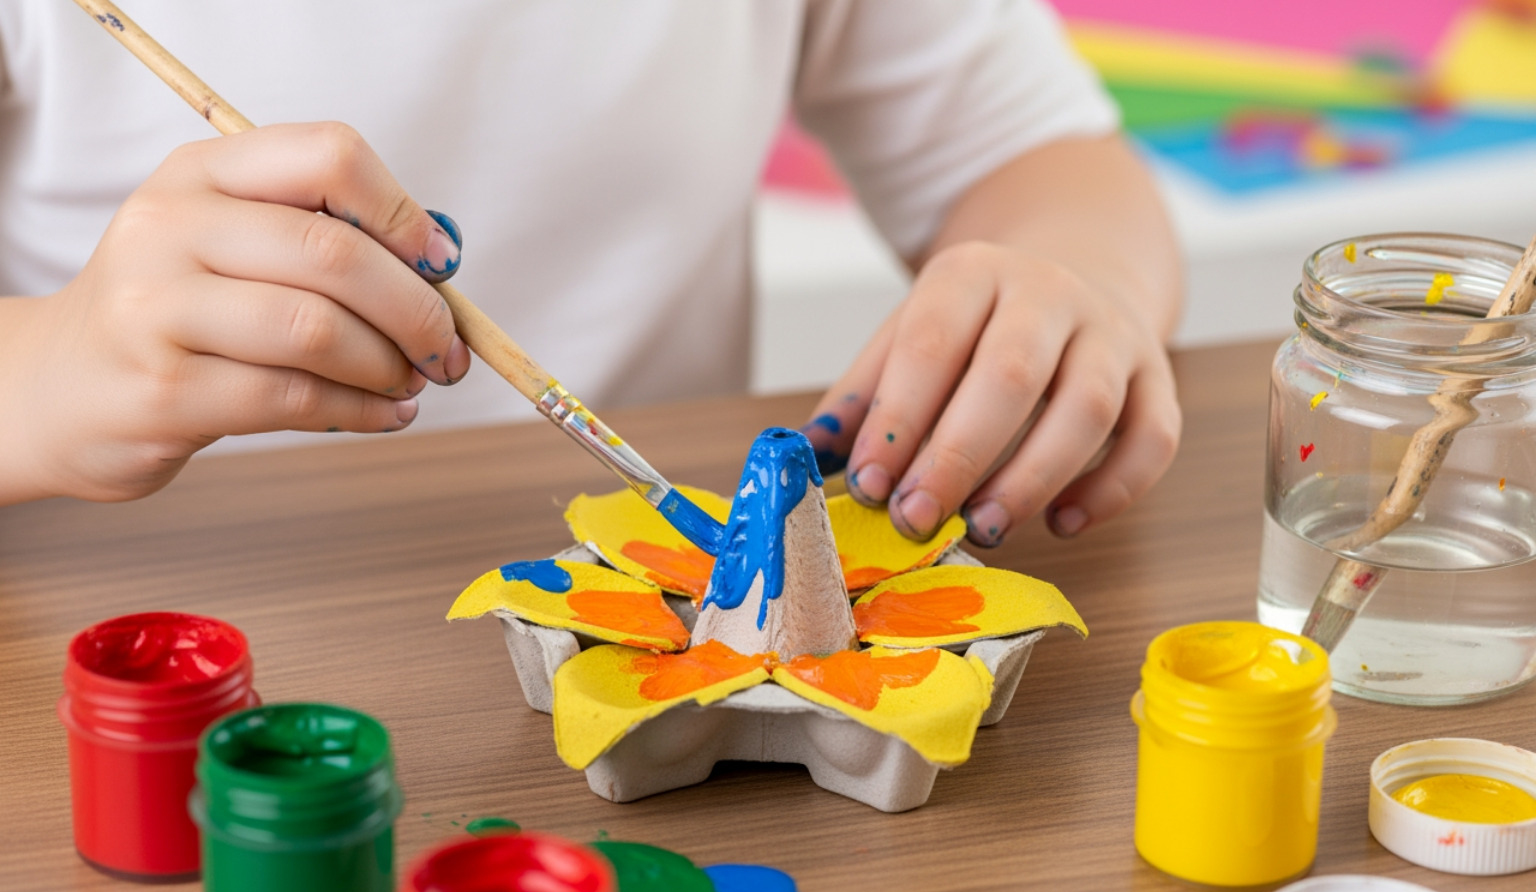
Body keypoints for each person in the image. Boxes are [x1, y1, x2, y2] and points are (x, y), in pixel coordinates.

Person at [0, 0, 1181, 549]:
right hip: (122, 667)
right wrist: (47, 377)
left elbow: (1041, 158)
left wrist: (1076, 286)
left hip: (654, 637)